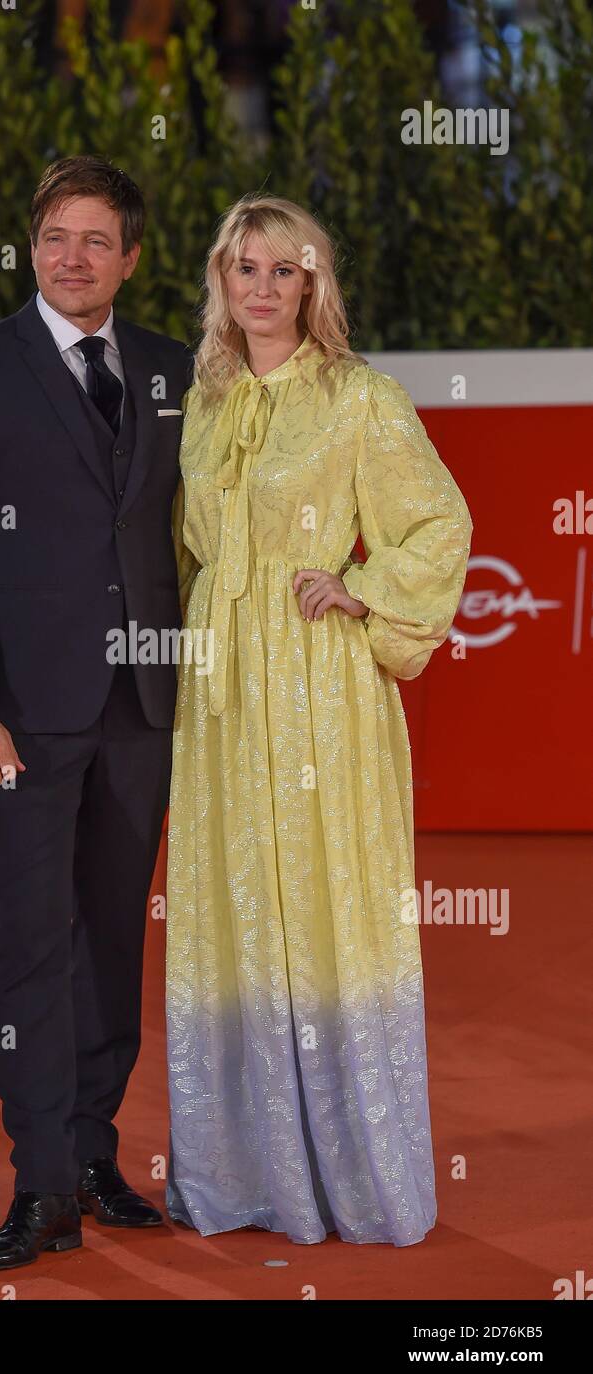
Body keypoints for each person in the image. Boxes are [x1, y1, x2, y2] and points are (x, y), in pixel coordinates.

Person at [165, 194, 473, 1246]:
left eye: (281, 270)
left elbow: (438, 519)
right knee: (233, 906)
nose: (260, 288)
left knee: (325, 905)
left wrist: (361, 587)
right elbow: (180, 554)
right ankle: (245, 1175)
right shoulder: (197, 402)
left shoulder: (359, 397)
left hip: (316, 692)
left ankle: (351, 1178)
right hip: (216, 695)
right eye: (240, 269)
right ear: (220, 280)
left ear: (311, 283)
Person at [0, 156, 192, 1269]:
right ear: (33, 248)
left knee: (113, 938)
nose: (71, 259)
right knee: (33, 946)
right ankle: (37, 1189)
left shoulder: (171, 369)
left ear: (129, 257)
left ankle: (89, 1155)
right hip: (19, 713)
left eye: (95, 242)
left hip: (143, 703)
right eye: (54, 239)